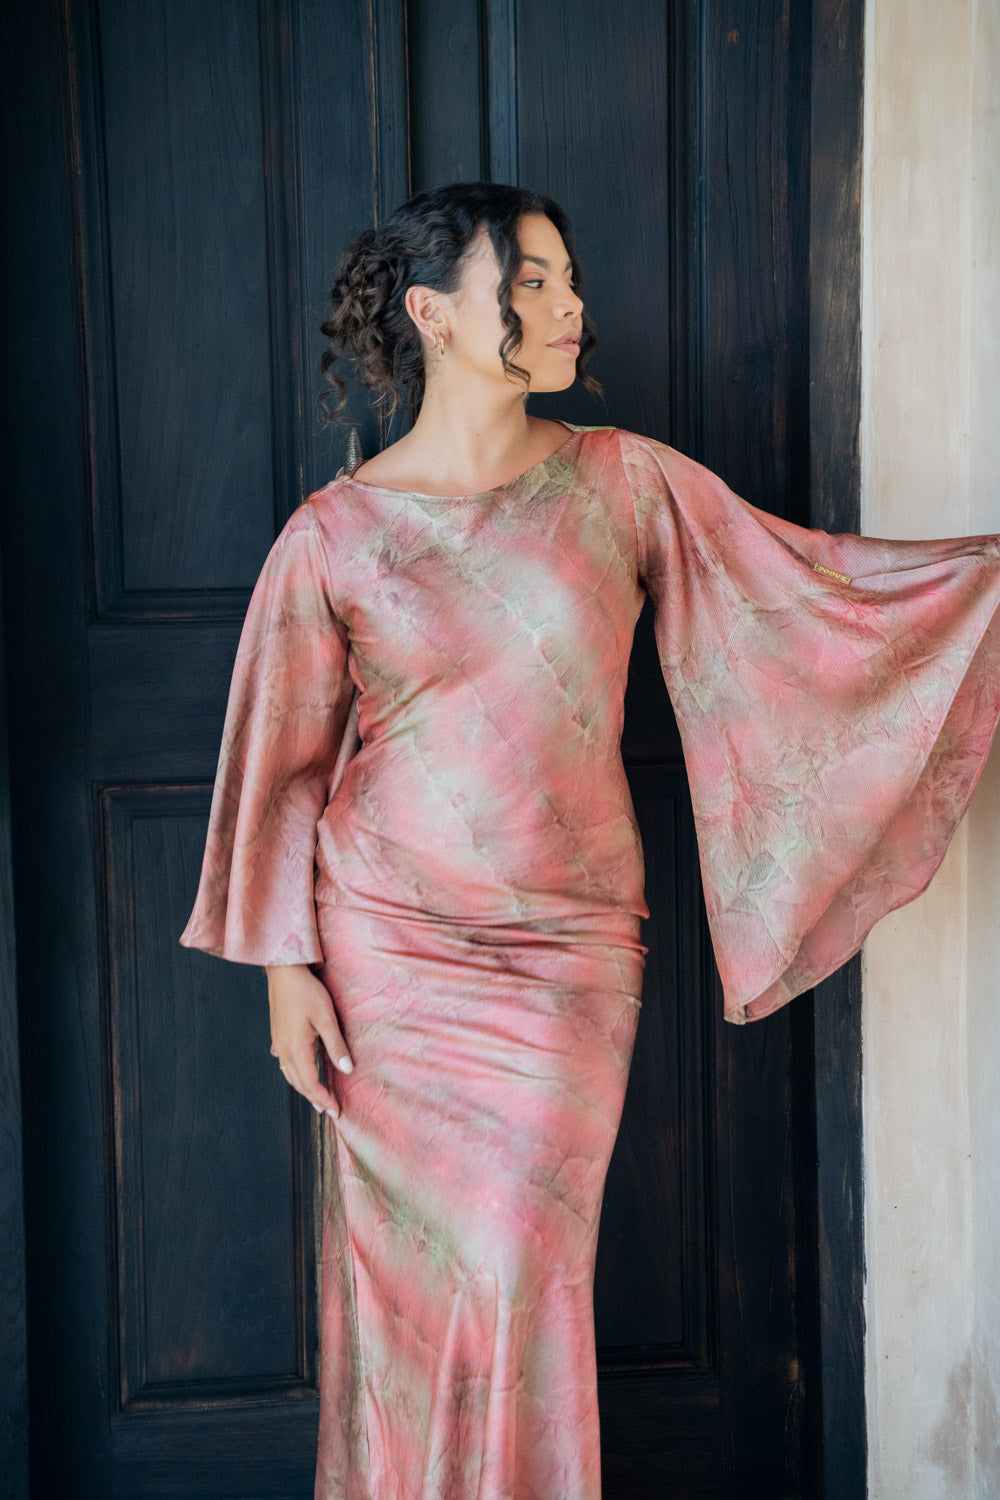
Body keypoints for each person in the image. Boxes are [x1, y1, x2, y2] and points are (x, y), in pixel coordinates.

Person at [179, 180, 1000, 1500]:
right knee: (403, 1303)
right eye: (535, 281)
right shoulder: (334, 536)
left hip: (567, 960)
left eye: (568, 281)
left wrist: (982, 585)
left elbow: (806, 600)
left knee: (524, 1270)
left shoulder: (624, 480)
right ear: (433, 313)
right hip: (390, 961)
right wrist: (286, 972)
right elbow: (281, 769)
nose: (572, 307)